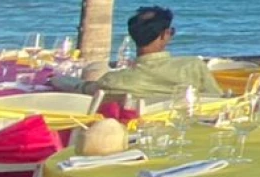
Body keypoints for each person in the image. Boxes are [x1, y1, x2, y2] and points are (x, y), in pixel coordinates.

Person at [96, 6, 224, 104]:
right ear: (165, 34)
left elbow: (86, 89)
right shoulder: (193, 67)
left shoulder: (113, 81)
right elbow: (218, 101)